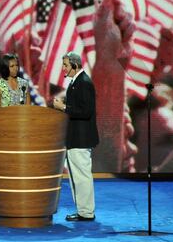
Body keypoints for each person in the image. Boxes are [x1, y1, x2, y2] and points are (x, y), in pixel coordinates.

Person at [53, 51, 99, 222]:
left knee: (82, 176)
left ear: (75, 65)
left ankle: (86, 212)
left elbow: (86, 111)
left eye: (65, 65)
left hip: (81, 139)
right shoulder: (76, 83)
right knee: (76, 177)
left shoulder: (84, 83)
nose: (63, 68)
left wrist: (63, 108)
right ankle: (83, 211)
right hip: (75, 139)